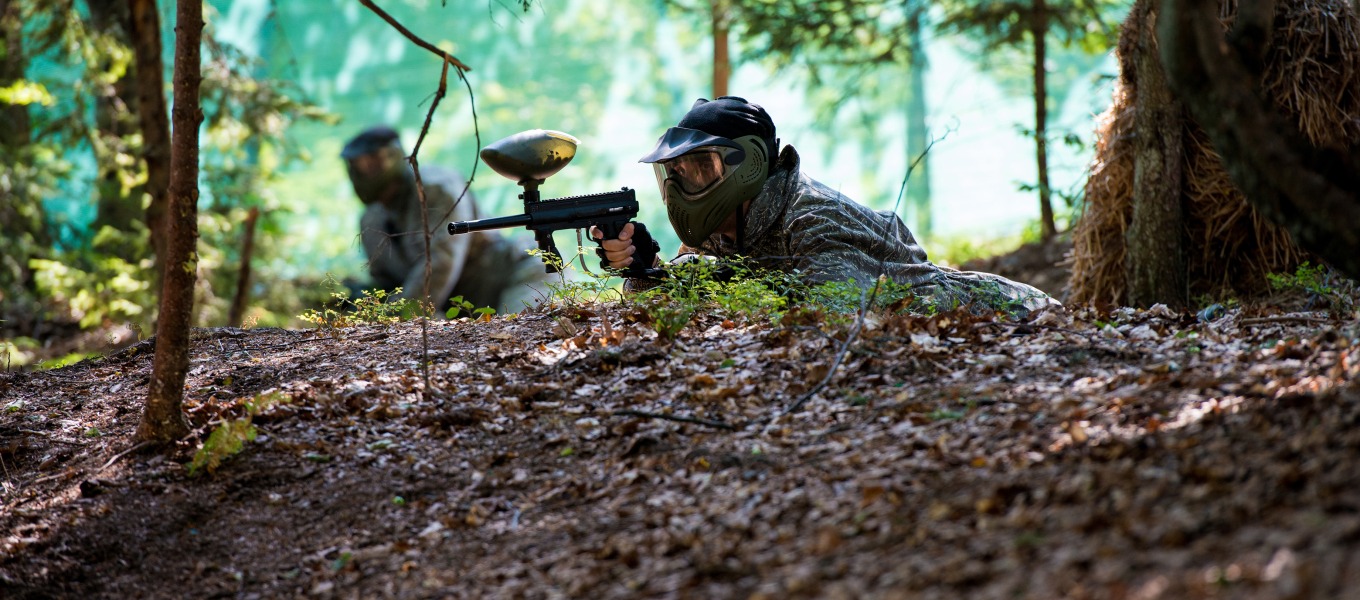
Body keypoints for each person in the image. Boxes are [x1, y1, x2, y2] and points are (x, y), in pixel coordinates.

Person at [593, 96, 1056, 313]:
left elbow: (834, 320)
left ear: (748, 166)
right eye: (674, 173)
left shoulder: (814, 218)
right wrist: (646, 268)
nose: (682, 186)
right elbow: (683, 303)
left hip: (1012, 318)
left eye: (698, 168)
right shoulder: (726, 228)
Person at [342, 126, 549, 315]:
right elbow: (387, 283)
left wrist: (399, 315)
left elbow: (442, 261)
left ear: (393, 157)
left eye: (370, 164)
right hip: (459, 306)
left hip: (519, 277)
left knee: (517, 334)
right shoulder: (371, 220)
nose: (360, 175)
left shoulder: (435, 188)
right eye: (354, 166)